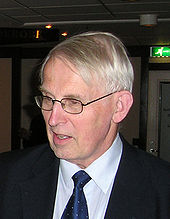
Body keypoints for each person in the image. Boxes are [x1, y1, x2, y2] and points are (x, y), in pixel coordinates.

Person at [0, 31, 169, 219]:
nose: (53, 119)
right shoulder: (7, 176)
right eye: (48, 99)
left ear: (119, 106)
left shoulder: (162, 190)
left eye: (73, 102)